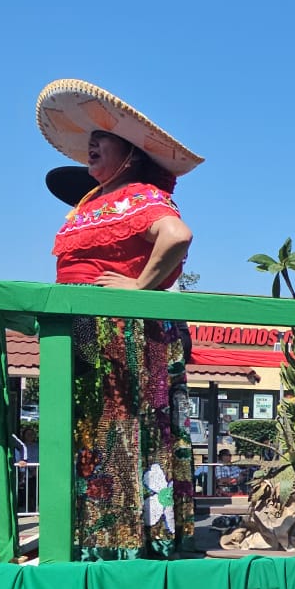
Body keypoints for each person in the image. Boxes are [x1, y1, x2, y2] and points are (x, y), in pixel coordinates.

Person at [39, 78, 201, 560]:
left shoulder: (140, 195)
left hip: (120, 329)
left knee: (122, 425)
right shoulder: (93, 201)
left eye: (102, 139)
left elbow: (176, 235)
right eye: (89, 140)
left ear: (129, 153)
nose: (91, 145)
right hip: (82, 324)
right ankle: (93, 531)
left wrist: (139, 287)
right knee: (88, 424)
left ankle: (127, 538)